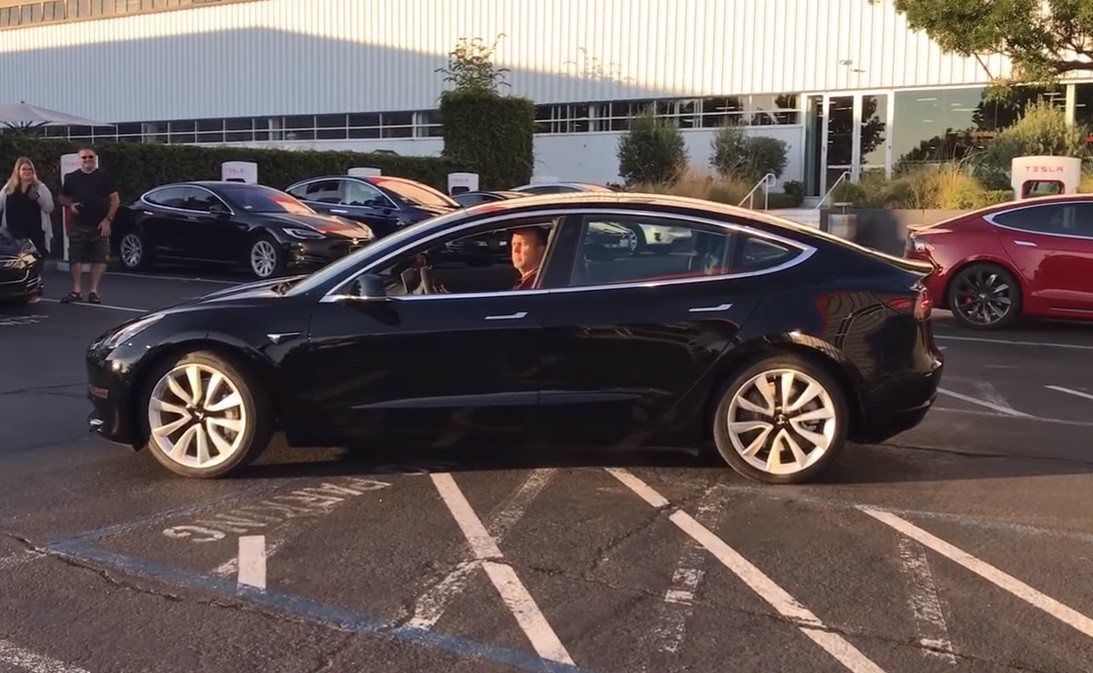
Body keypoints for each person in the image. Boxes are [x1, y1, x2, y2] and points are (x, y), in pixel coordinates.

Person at [58, 146, 119, 304]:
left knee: (99, 258)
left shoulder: (104, 177)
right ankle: (76, 291)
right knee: (75, 258)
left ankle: (94, 292)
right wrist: (70, 205)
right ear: (79, 160)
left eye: (90, 157)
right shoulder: (71, 177)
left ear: (95, 158)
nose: (87, 160)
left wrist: (108, 219)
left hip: (99, 224)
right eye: (84, 157)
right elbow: (62, 198)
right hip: (78, 224)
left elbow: (115, 199)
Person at [0, 157, 55, 304]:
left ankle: (34, 292)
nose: (27, 172)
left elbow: (49, 208)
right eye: (24, 169)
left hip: (34, 234)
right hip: (13, 235)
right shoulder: (9, 188)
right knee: (17, 264)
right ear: (18, 171)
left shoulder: (39, 187)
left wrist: (37, 198)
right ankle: (14, 291)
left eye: (30, 169)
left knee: (34, 264)